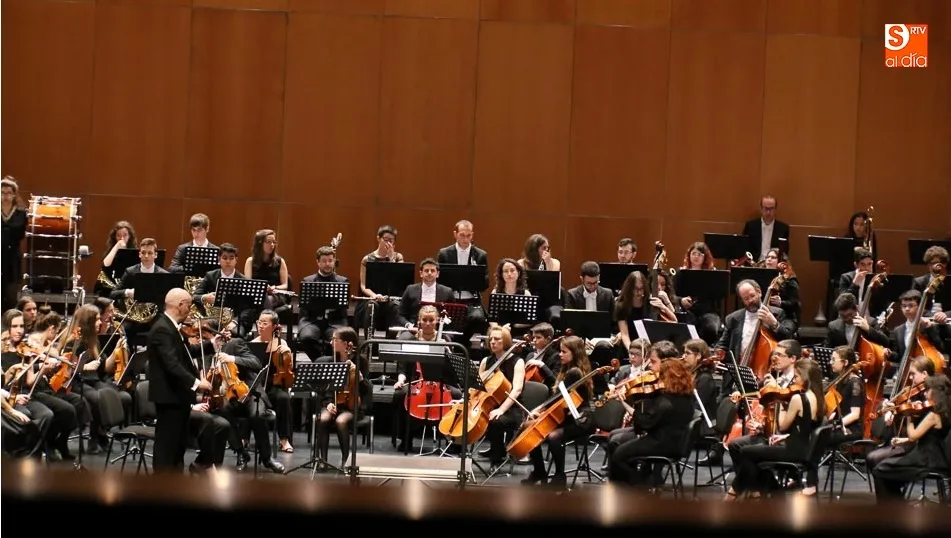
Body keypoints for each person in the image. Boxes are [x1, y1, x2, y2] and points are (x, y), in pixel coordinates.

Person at [725, 358, 824, 499]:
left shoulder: (798, 399)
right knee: (753, 456)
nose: (794, 381)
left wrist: (781, 404)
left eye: (796, 376)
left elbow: (782, 426)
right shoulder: (817, 397)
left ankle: (737, 491)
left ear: (805, 377)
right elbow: (806, 427)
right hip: (804, 449)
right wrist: (785, 436)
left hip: (792, 451)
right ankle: (766, 491)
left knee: (746, 452)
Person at [609, 347, 696, 487]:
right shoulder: (683, 395)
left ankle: (639, 487)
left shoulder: (665, 401)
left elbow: (644, 423)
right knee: (620, 447)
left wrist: (625, 403)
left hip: (662, 442)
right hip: (672, 439)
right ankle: (636, 483)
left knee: (619, 454)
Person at [148, 288, 212, 473]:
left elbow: (184, 353)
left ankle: (174, 486)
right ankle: (162, 488)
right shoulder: (162, 329)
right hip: (169, 397)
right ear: (180, 305)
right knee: (167, 448)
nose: (190, 309)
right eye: (189, 305)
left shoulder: (170, 327)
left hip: (178, 397)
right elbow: (172, 364)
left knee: (177, 446)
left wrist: (211, 346)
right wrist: (197, 383)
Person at [521, 335, 595, 489]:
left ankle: (559, 476)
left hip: (581, 418)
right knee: (529, 427)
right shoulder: (567, 369)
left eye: (564, 352)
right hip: (566, 416)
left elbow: (557, 397)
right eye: (560, 351)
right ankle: (539, 471)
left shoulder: (575, 372)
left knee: (554, 436)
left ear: (574, 353)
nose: (560, 354)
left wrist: (539, 409)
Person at [872, 374, 951, 502]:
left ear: (935, 391)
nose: (925, 394)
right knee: (888, 475)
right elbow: (931, 437)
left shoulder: (934, 415)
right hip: (937, 457)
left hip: (925, 459)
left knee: (880, 470)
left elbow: (913, 436)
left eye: (927, 390)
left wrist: (909, 416)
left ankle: (889, 512)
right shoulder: (946, 411)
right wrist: (904, 440)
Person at [315, 327, 370, 470]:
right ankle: (323, 459)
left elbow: (366, 389)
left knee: (341, 421)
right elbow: (324, 389)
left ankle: (346, 459)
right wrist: (328, 404)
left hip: (351, 406)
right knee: (323, 419)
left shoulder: (360, 361)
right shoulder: (330, 361)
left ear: (347, 344)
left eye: (335, 339)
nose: (331, 342)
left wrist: (360, 377)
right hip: (333, 403)